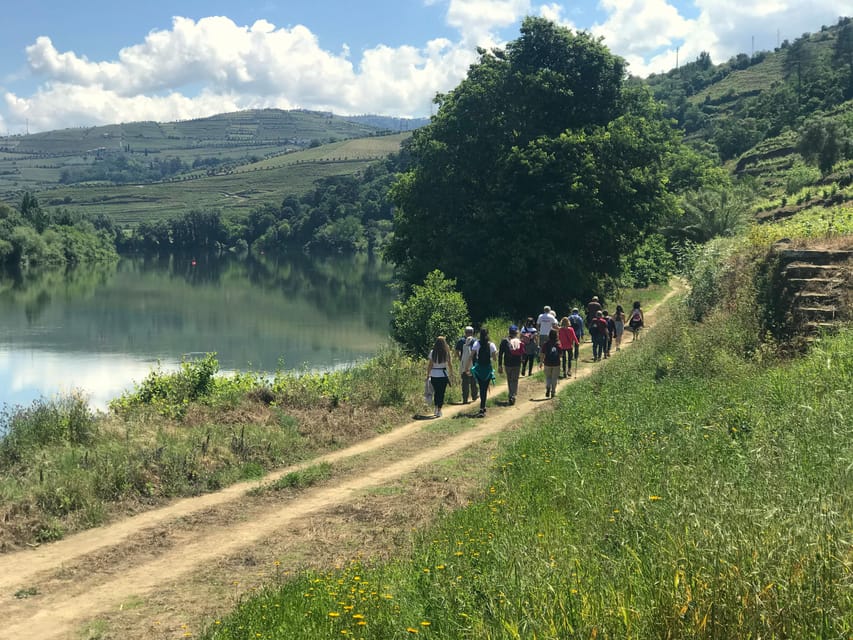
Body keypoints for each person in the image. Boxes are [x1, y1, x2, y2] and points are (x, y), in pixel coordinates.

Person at [470, 327, 497, 417]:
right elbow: (494, 359)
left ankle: (482, 406)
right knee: (484, 388)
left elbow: (471, 356)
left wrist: (467, 367)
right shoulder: (491, 345)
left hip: (479, 368)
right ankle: (482, 407)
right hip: (488, 369)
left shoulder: (476, 343)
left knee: (481, 388)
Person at [426, 336, 453, 417]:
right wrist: (451, 373)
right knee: (441, 393)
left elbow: (430, 365)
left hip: (434, 374)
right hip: (443, 374)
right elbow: (450, 364)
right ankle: (439, 409)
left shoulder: (432, 352)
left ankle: (436, 407)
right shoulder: (446, 352)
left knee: (436, 392)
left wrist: (428, 374)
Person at [498, 325, 524, 405]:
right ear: (516, 332)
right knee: (515, 380)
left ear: (509, 332)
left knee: (509, 379)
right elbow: (522, 353)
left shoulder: (504, 341)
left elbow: (500, 354)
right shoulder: (518, 340)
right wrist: (522, 362)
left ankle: (510, 395)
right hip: (516, 363)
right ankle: (513, 395)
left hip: (507, 363)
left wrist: (500, 365)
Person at [455, 326, 478, 404]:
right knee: (473, 381)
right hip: (474, 363)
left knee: (465, 382)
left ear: (465, 332)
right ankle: (474, 396)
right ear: (472, 332)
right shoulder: (475, 341)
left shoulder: (461, 341)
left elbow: (456, 352)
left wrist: (460, 359)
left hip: (464, 364)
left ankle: (465, 399)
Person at [540, 329, 561, 398]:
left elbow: (542, 354)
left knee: (548, 377)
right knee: (554, 378)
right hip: (556, 363)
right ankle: (553, 392)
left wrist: (541, 362)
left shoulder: (546, 344)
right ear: (556, 335)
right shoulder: (558, 344)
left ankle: (548, 387)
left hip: (547, 363)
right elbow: (561, 354)